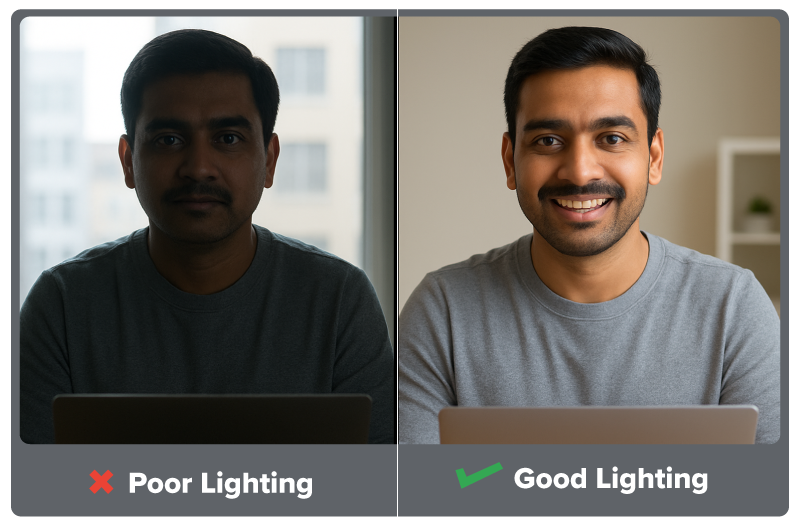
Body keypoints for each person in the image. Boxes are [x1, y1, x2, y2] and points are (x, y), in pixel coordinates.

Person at [399, 26, 779, 444]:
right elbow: (417, 500)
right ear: (510, 161)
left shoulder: (733, 308)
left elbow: (772, 500)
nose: (580, 171)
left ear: (653, 157)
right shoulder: (442, 312)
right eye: (548, 140)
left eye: (612, 139)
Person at [20, 29, 394, 444]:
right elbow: (33, 494)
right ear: (128, 162)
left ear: (269, 161)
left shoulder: (339, 301)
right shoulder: (62, 305)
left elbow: (375, 493)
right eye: (169, 140)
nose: (199, 167)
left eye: (228, 139)